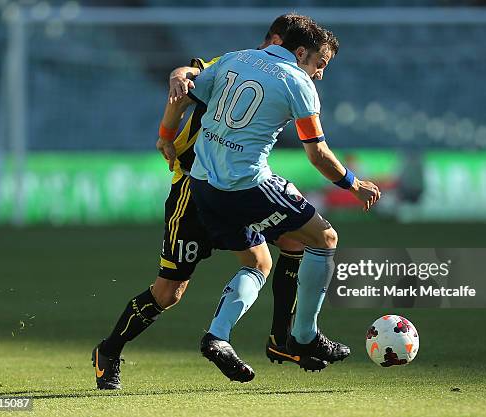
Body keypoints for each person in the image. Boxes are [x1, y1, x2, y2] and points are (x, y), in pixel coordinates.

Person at [91, 14, 326, 391]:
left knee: (285, 244)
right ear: (277, 42)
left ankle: (280, 341)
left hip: (233, 188)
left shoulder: (263, 73)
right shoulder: (234, 62)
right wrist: (168, 127)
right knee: (168, 293)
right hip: (191, 187)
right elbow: (185, 79)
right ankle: (109, 350)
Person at [163, 18, 380, 383]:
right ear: (301, 53)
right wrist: (353, 184)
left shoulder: (236, 58)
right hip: (247, 184)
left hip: (202, 184)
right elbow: (318, 155)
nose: (320, 74)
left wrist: (165, 136)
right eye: (320, 64)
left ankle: (218, 336)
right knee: (325, 238)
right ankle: (305, 337)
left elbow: (184, 93)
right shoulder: (297, 81)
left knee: (259, 261)